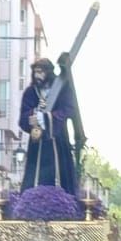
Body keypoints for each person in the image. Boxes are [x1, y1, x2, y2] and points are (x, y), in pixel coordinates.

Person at [18, 57, 77, 195]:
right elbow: (23, 118)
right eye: (35, 72)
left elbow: (69, 110)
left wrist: (47, 118)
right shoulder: (30, 92)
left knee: (60, 175)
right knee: (34, 177)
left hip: (58, 141)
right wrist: (33, 115)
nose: (38, 76)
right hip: (37, 144)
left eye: (41, 72)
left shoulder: (62, 89)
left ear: (48, 73)